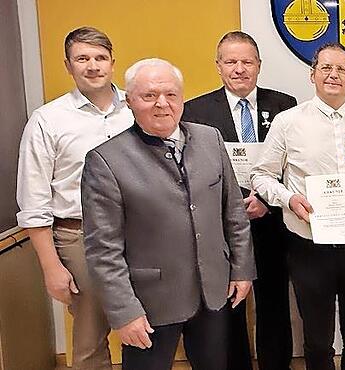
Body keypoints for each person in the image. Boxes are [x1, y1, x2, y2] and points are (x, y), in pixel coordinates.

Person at [81, 58, 256, 370]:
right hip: (149, 303)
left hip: (212, 294)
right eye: (149, 96)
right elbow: (103, 250)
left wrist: (242, 269)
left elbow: (233, 213)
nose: (162, 104)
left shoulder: (210, 139)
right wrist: (124, 311)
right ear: (130, 101)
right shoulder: (105, 161)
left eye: (171, 94)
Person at [250, 43, 345, 370]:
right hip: (309, 245)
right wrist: (289, 199)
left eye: (341, 69)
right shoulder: (289, 121)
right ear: (312, 74)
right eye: (326, 68)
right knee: (317, 340)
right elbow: (262, 175)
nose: (333, 75)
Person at [16, 26, 133, 370]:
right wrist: (51, 267)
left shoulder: (138, 108)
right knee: (89, 340)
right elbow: (33, 201)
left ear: (113, 62)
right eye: (82, 58)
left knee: (145, 329)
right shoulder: (48, 120)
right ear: (68, 66)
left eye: (100, 58)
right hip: (80, 238)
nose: (93, 66)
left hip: (141, 234)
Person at [182, 30, 297, 370]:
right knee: (230, 303)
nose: (239, 69)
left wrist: (266, 199)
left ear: (259, 65)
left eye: (247, 61)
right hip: (222, 226)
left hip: (272, 221)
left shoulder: (284, 105)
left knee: (274, 303)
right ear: (218, 66)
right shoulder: (195, 110)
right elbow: (192, 171)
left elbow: (294, 164)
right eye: (231, 61)